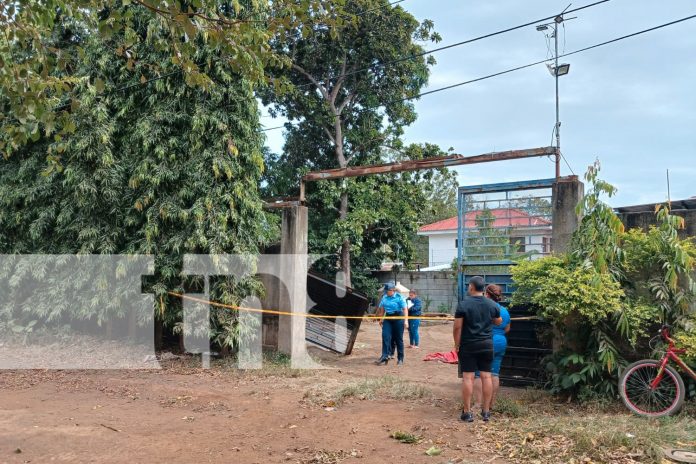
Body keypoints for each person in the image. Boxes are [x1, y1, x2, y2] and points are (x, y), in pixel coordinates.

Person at [453, 276, 502, 422]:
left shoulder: (463, 304)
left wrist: (457, 344)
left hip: (468, 345)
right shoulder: (492, 304)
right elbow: (498, 322)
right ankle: (486, 412)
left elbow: (457, 327)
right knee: (486, 376)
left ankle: (467, 413)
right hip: (486, 345)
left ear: (472, 287)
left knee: (468, 377)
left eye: (469, 286)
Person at [473, 284, 511, 410]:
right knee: (494, 374)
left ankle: (478, 404)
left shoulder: (483, 308)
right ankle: (490, 404)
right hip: (500, 342)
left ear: (487, 294)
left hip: (485, 342)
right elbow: (507, 328)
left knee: (478, 374)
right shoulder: (504, 311)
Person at [375, 282, 408, 366]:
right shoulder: (384, 297)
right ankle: (384, 357)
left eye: (387, 291)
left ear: (392, 290)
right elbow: (382, 308)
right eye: (385, 291)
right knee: (385, 336)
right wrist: (381, 318)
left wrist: (406, 321)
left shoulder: (399, 297)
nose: (385, 292)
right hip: (388, 318)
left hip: (398, 318)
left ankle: (400, 359)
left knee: (398, 339)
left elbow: (405, 309)